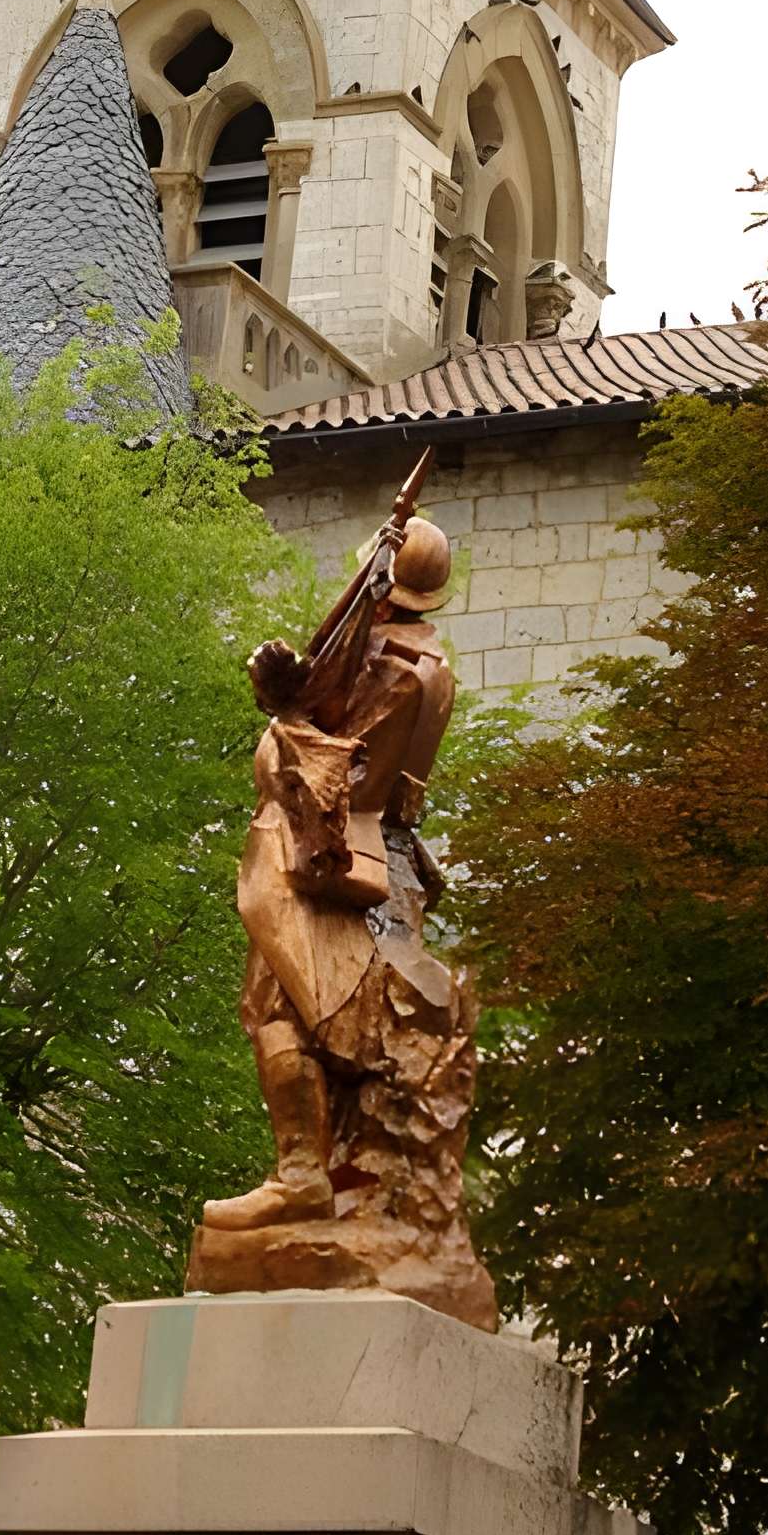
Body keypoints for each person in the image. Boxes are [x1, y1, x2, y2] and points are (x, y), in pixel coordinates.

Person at [200, 512, 489, 1312]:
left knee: (278, 1006)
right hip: (373, 858)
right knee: (288, 1009)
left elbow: (338, 780)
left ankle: (301, 1176)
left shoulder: (399, 670)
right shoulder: (414, 659)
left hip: (337, 863)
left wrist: (284, 717)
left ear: (384, 588)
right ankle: (318, 1176)